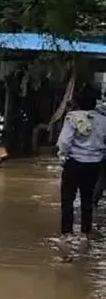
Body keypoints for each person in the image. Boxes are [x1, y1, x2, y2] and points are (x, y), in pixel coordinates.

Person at [57, 84, 106, 236]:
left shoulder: (72, 118)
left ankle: (67, 234)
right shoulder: (103, 120)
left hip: (74, 163)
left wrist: (62, 157)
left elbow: (64, 142)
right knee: (87, 199)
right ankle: (85, 234)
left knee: (67, 200)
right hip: (94, 164)